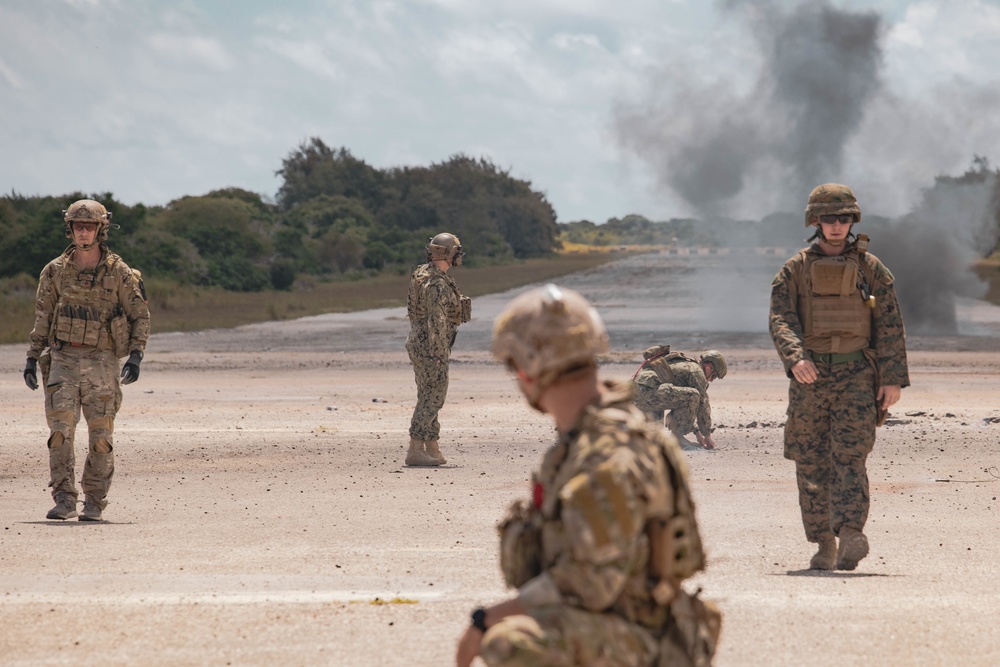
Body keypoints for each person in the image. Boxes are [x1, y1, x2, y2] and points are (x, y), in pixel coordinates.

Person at [456, 284, 720, 667]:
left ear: (527, 370)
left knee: (509, 643)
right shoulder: (589, 436)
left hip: (644, 640)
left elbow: (589, 584)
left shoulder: (607, 454)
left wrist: (483, 622)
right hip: (620, 625)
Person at [769, 183, 909, 571]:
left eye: (843, 218)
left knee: (849, 456)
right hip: (810, 376)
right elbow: (781, 319)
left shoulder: (870, 268)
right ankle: (823, 542)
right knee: (810, 460)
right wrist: (796, 358)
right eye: (828, 218)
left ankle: (850, 533)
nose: (836, 225)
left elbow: (890, 324)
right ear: (815, 221)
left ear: (853, 221)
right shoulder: (795, 269)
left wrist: (891, 378)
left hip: (855, 374)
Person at [22, 199, 150, 522]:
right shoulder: (54, 272)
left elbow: (140, 316)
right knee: (60, 432)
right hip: (63, 358)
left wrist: (136, 355)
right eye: (78, 226)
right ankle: (63, 497)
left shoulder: (119, 273)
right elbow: (43, 316)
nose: (83, 232)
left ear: (100, 230)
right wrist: (31, 357)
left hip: (102, 362)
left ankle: (94, 500)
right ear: (70, 229)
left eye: (89, 226)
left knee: (101, 436)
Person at [404, 232, 471, 466]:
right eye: (456, 253)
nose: (458, 257)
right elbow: (437, 321)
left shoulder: (424, 274)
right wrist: (438, 353)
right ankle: (415, 447)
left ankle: (430, 445)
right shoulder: (436, 284)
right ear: (448, 255)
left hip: (421, 344)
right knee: (434, 396)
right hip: (431, 347)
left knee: (428, 394)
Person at [632, 346, 727, 451]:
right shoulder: (696, 371)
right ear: (709, 366)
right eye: (713, 375)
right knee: (693, 395)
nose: (712, 380)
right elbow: (702, 404)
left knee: (655, 439)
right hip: (647, 394)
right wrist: (707, 435)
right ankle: (677, 439)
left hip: (641, 395)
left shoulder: (686, 365)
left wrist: (697, 433)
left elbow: (684, 407)